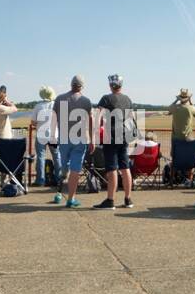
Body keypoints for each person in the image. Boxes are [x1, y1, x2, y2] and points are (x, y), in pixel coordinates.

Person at [51, 74, 94, 208]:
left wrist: (54, 135)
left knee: (64, 167)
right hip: (79, 139)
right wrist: (92, 139)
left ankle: (59, 190)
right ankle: (71, 198)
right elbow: (91, 121)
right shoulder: (86, 101)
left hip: (63, 138)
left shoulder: (59, 99)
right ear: (82, 86)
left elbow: (54, 118)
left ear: (71, 84)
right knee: (75, 168)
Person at [94, 74, 134, 209]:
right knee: (125, 167)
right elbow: (131, 118)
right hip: (124, 136)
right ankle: (128, 199)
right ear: (121, 85)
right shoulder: (127, 99)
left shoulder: (106, 98)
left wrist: (94, 133)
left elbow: (98, 116)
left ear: (110, 85)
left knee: (112, 169)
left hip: (110, 137)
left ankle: (110, 200)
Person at [32, 85, 58, 187]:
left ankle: (40, 180)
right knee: (57, 156)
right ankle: (59, 178)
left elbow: (33, 122)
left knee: (41, 157)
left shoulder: (38, 106)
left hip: (41, 135)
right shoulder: (56, 105)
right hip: (54, 135)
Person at [168, 88, 195, 158]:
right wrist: (190, 100)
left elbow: (169, 108)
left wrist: (177, 100)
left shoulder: (175, 107)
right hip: (188, 137)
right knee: (188, 155)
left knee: (174, 156)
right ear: (188, 98)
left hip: (175, 138)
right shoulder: (191, 108)